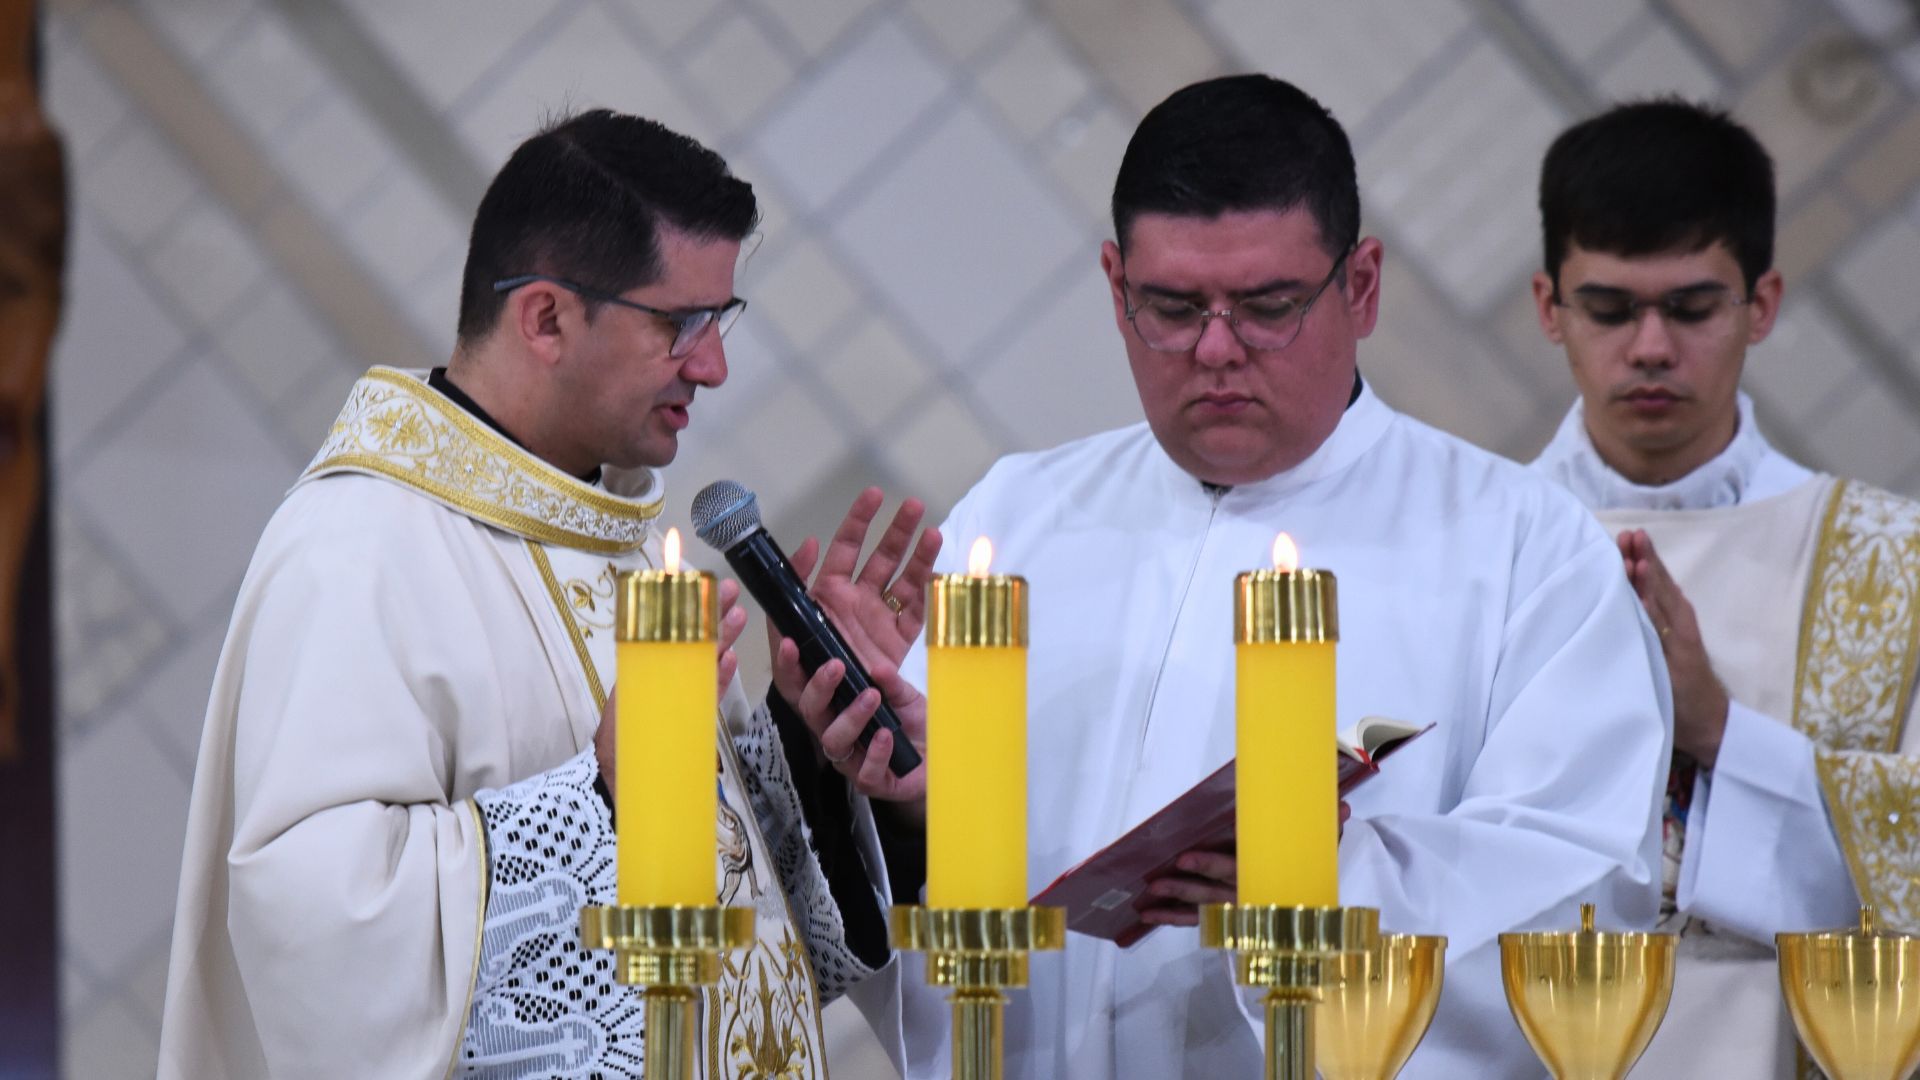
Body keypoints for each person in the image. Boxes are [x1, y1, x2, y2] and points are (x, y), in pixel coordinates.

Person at [785, 74, 1673, 1078]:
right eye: (1170, 307)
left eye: (1267, 306)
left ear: (1363, 286)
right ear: (1116, 288)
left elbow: (1588, 890)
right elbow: (933, 898)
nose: (1215, 350)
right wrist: (903, 802)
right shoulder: (1014, 519)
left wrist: (1323, 883)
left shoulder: (1524, 549)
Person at [156, 109, 933, 1079]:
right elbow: (313, 927)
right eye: (680, 324)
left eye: (721, 321)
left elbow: (734, 967)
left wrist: (815, 753)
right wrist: (601, 799)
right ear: (548, 317)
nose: (715, 366)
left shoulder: (629, 555)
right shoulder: (358, 548)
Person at [1529, 99, 1920, 1078]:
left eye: (1693, 308)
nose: (1652, 348)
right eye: (1610, 309)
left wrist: (1715, 731)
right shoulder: (1476, 556)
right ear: (1549, 309)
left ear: (1764, 303)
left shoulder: (1891, 562)